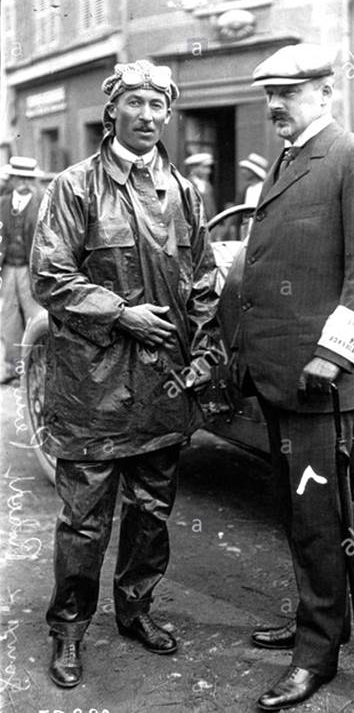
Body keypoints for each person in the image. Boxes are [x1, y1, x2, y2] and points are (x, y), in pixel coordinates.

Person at [31, 60, 222, 688]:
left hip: (163, 385)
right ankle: (68, 628)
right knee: (84, 519)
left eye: (158, 105)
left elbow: (201, 280)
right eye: (135, 103)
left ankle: (135, 609)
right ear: (112, 110)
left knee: (152, 511)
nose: (147, 116)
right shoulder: (74, 186)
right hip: (93, 383)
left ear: (169, 114)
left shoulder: (184, 192)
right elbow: (51, 277)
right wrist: (123, 315)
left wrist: (203, 351)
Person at [237, 43, 354, 710]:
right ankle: (314, 617)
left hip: (319, 380)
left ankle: (317, 655)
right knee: (296, 511)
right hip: (279, 376)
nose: (278, 103)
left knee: (317, 518)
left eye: (293, 90)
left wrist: (333, 356)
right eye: (271, 92)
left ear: (326, 90)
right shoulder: (288, 158)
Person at [0, 156, 44, 384]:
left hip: (30, 268)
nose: (23, 182)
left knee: (35, 316)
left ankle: (36, 369)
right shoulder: (3, 202)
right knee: (8, 317)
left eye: (27, 178)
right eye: (19, 177)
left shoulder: (41, 202)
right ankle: (12, 367)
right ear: (13, 178)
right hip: (8, 268)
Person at [184, 152, 217, 219]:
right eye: (204, 167)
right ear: (194, 168)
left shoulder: (207, 185)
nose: (208, 171)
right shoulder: (187, 184)